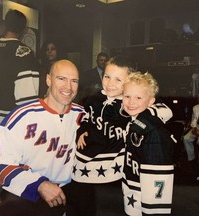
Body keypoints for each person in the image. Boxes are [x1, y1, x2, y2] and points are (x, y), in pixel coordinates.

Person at [71, 56, 172, 216]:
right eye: (107, 76)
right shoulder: (93, 99)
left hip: (112, 174)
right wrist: (81, 130)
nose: (110, 83)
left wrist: (142, 119)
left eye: (118, 80)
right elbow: (85, 118)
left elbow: (164, 110)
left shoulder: (130, 104)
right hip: (82, 170)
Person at [0, 60, 84, 216]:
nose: (68, 87)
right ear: (48, 80)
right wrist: (40, 185)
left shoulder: (83, 116)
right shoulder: (22, 116)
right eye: (61, 79)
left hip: (68, 197)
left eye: (74, 81)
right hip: (27, 198)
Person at [121, 72, 175, 216]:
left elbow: (158, 176)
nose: (131, 102)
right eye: (127, 96)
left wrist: (153, 209)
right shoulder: (134, 121)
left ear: (151, 101)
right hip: (133, 190)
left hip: (145, 197)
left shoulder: (153, 133)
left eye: (138, 97)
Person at [0, 9, 39, 134]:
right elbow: (27, 95)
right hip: (11, 119)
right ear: (24, 29)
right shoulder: (25, 52)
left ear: (5, 25)